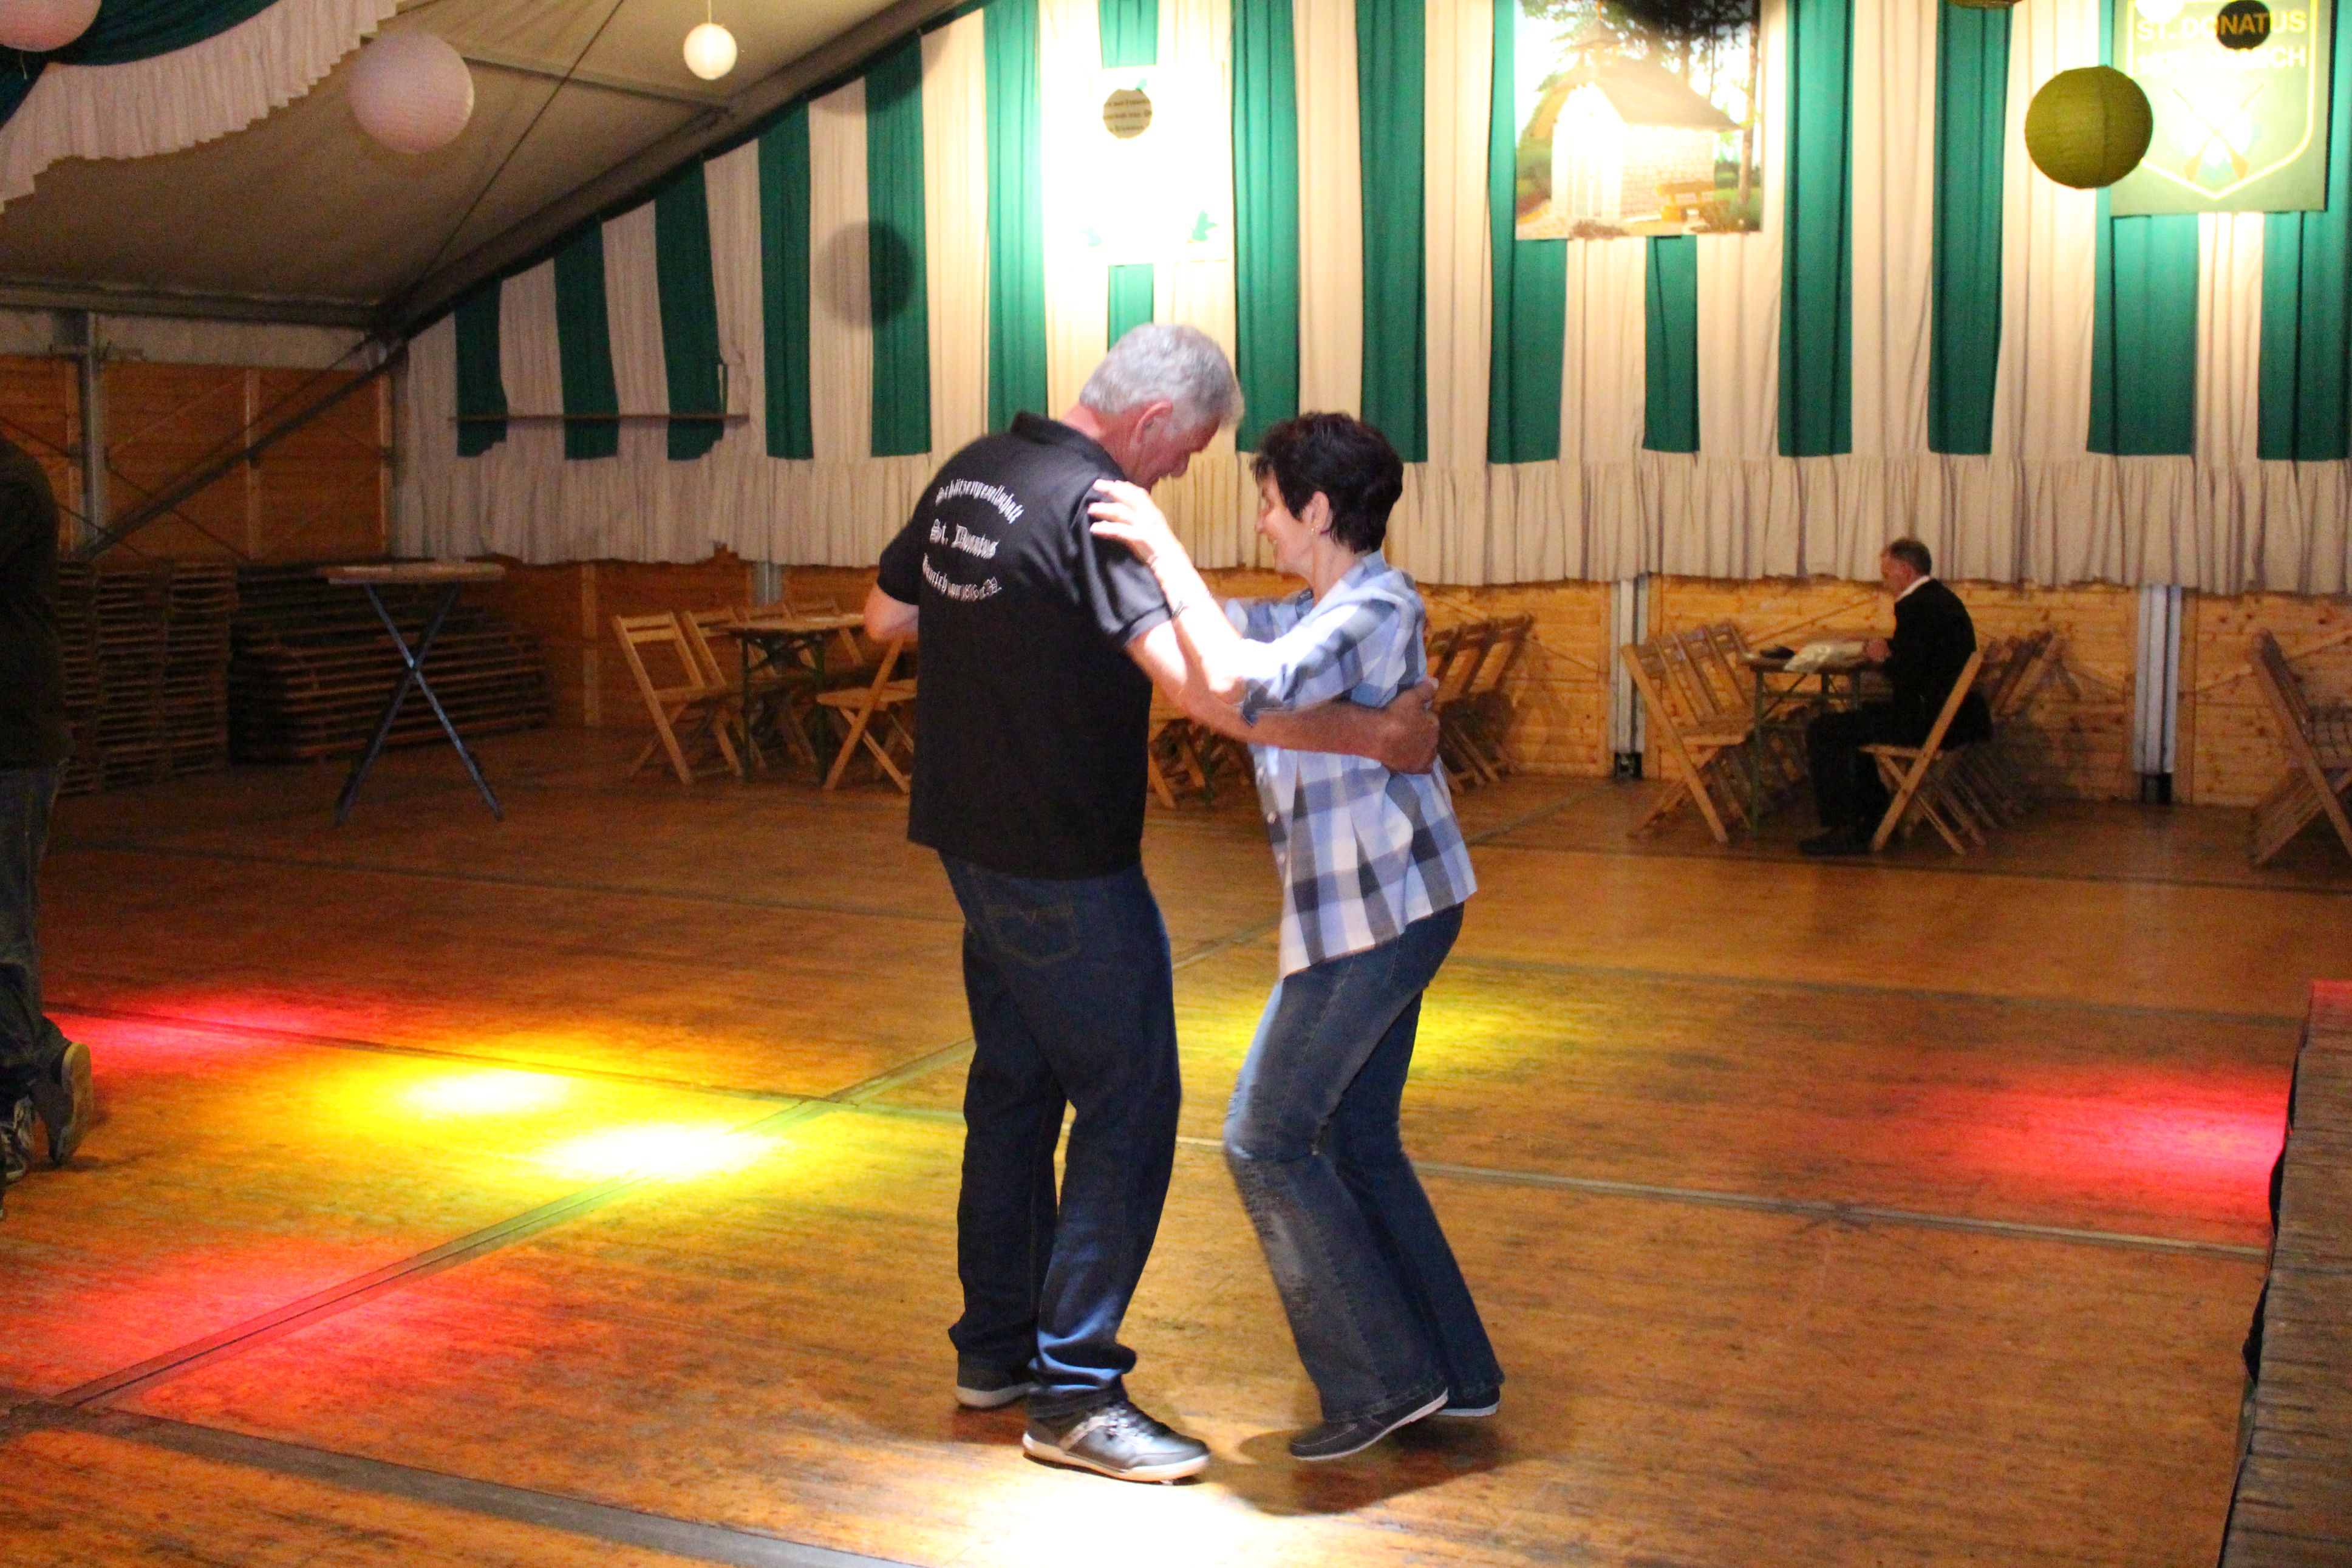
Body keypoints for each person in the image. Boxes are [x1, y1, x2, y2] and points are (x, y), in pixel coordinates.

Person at [863, 326, 1442, 1484]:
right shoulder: (1102, 510)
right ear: (1150, 423)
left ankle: (994, 1351)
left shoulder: (976, 470)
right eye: (1187, 449)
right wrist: (1377, 736)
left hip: (969, 845)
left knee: (1015, 1091)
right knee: (1131, 1103)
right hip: (1064, 861)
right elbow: (1212, 697)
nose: (1178, 472)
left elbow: (886, 617)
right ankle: (1075, 1391)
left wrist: (1013, 626)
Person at [1088, 411, 1503, 1462]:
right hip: (1380, 909)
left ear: (1317, 509)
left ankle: (1382, 1380)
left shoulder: (1374, 606)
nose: (1263, 523)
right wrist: (1109, 579)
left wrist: (1159, 547)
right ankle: (1455, 1371)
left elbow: (1244, 684)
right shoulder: (1310, 609)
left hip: (1379, 916)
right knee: (1357, 1140)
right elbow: (1212, 654)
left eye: (1271, 504)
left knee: (1263, 1139)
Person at [0, 430, 94, 1219]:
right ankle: (45, 1056)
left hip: (13, 744)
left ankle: (11, 1111)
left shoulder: (12, 487)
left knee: (3, 934)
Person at [1800, 537, 1991, 857]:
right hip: (1957, 716)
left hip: (1927, 720)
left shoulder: (1916, 606)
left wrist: (1883, 659)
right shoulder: (1940, 599)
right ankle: (1871, 816)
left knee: (1824, 730)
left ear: (1905, 569)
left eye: (1887, 573)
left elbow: (1909, 677)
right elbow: (1924, 655)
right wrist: (1886, 646)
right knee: (1859, 718)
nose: (1885, 581)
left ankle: (1847, 827)